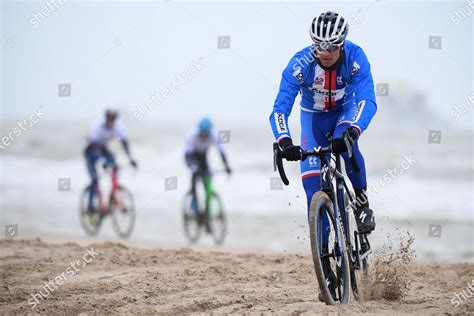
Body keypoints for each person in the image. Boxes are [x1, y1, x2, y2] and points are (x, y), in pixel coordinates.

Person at [270, 11, 377, 233]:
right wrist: (284, 141)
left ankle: (362, 202)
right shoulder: (299, 64)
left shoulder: (356, 58)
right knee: (312, 190)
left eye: (332, 46)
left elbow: (367, 100)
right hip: (313, 119)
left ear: (342, 44)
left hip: (343, 113)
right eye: (319, 46)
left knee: (345, 142)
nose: (325, 52)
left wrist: (354, 130)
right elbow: (280, 109)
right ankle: (325, 257)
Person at [84, 109, 137, 215]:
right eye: (109, 118)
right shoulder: (97, 126)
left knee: (114, 164)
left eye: (113, 119)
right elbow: (94, 144)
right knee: (95, 179)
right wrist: (102, 161)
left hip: (102, 148)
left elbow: (124, 143)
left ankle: (115, 190)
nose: (111, 121)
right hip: (90, 150)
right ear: (105, 118)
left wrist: (130, 158)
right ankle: (90, 207)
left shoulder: (117, 127)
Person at [184, 117, 231, 224]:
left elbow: (221, 152)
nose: (204, 137)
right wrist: (194, 168)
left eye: (206, 135)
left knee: (207, 179)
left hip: (203, 157)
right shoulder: (191, 136)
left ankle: (207, 211)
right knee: (195, 174)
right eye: (202, 135)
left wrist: (227, 166)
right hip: (191, 157)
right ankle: (194, 201)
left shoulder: (214, 135)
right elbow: (188, 156)